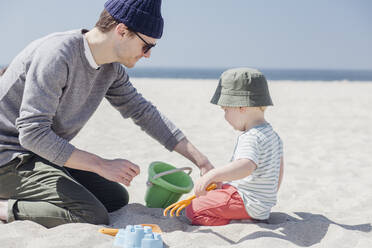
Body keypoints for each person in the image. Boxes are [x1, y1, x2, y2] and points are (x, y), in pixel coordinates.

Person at [0, 0, 213, 228]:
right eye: (146, 46)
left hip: (39, 153)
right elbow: (32, 134)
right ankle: (5, 208)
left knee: (115, 198)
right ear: (121, 31)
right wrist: (101, 164)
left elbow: (142, 111)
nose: (148, 55)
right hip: (9, 157)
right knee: (91, 215)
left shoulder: (111, 69)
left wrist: (202, 162)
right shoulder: (57, 55)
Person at [184, 68, 284, 226]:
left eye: (226, 110)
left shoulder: (251, 137)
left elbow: (245, 166)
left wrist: (212, 175)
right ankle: (244, 215)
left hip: (245, 201)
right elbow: (278, 170)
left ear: (242, 107)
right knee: (213, 193)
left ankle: (238, 220)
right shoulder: (272, 135)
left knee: (193, 209)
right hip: (260, 205)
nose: (225, 116)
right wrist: (266, 200)